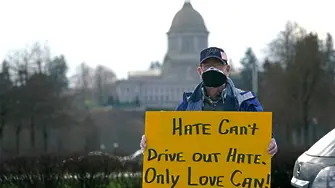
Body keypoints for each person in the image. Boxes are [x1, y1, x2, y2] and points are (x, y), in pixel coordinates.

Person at [140, 47, 278, 157]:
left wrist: (271, 143)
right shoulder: (186, 105)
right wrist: (150, 141)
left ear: (227, 70)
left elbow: (263, 135)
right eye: (207, 66)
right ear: (200, 71)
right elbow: (171, 140)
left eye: (218, 65)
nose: (212, 70)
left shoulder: (246, 102)